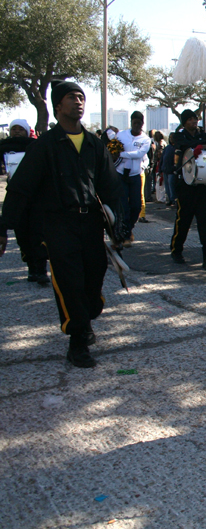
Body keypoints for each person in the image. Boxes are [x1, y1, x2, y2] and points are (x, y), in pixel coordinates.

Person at [0, 81, 125, 368]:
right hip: (58, 225)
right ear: (58, 106)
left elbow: (110, 187)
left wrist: (119, 227)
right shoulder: (44, 144)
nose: (78, 102)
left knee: (93, 278)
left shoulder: (95, 143)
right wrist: (4, 226)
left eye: (81, 97)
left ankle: (86, 319)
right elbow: (20, 189)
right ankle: (77, 341)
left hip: (90, 223)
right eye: (71, 97)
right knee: (69, 282)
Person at [0, 119, 49, 284]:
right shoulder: (4, 148)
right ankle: (31, 268)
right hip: (16, 196)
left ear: (27, 131)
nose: (17, 132)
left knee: (38, 232)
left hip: (38, 198)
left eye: (20, 129)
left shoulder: (36, 147)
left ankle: (42, 269)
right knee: (22, 234)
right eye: (14, 129)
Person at [170, 109, 206, 270]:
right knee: (183, 220)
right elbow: (182, 145)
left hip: (202, 185)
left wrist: (204, 144)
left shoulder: (202, 135)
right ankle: (176, 251)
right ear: (184, 122)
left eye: (194, 119)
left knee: (205, 221)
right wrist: (199, 145)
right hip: (185, 185)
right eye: (189, 119)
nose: (193, 121)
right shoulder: (179, 135)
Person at [115, 111, 151, 247]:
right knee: (124, 206)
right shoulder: (122, 135)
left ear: (142, 124)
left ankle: (128, 229)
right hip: (121, 174)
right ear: (131, 122)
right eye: (134, 122)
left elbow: (140, 154)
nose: (137, 125)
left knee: (136, 206)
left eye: (139, 123)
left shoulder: (146, 139)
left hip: (135, 175)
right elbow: (113, 149)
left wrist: (122, 154)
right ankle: (124, 235)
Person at [161, 133, 177, 206]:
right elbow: (162, 158)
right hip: (165, 169)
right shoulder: (167, 147)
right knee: (167, 186)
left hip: (172, 170)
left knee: (172, 185)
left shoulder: (177, 147)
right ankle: (170, 199)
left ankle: (174, 199)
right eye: (170, 138)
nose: (171, 139)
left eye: (172, 138)